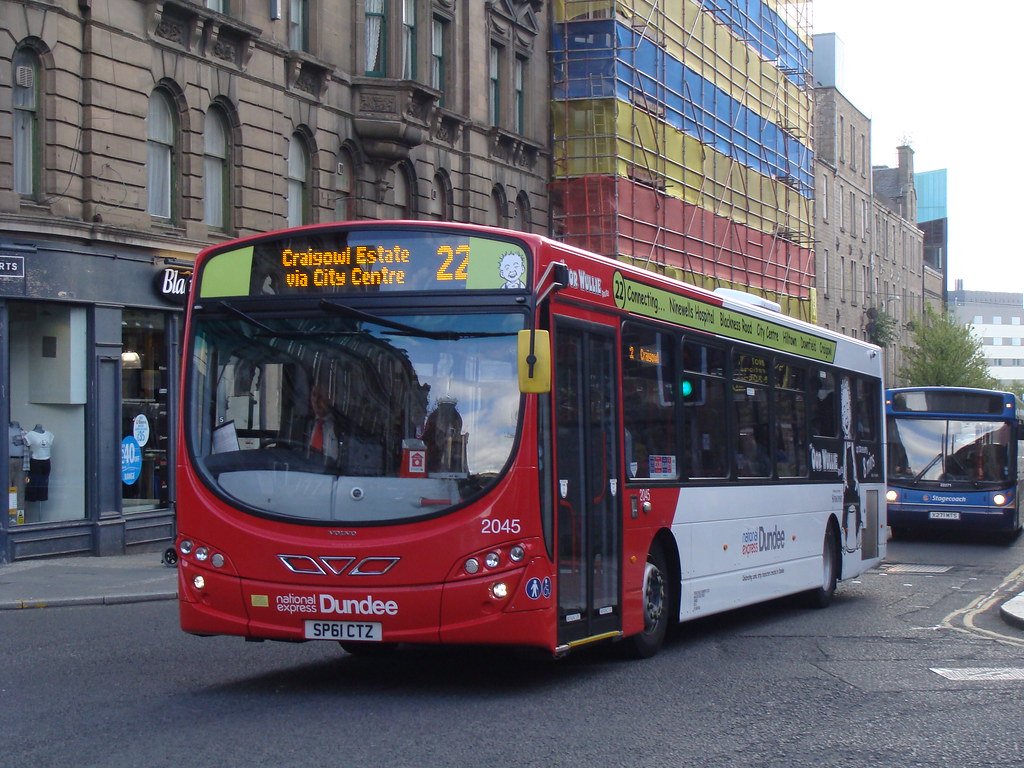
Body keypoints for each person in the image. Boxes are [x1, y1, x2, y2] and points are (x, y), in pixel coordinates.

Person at [307, 383, 340, 461]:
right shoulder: (305, 424)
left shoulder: (339, 425)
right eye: (314, 395)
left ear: (331, 399)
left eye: (321, 396)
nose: (316, 400)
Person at [24, 424, 54, 502]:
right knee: (33, 481)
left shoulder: (49, 434)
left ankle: (42, 497)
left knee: (44, 481)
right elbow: (27, 443)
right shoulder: (30, 434)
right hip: (36, 460)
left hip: (46, 460)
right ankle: (32, 497)